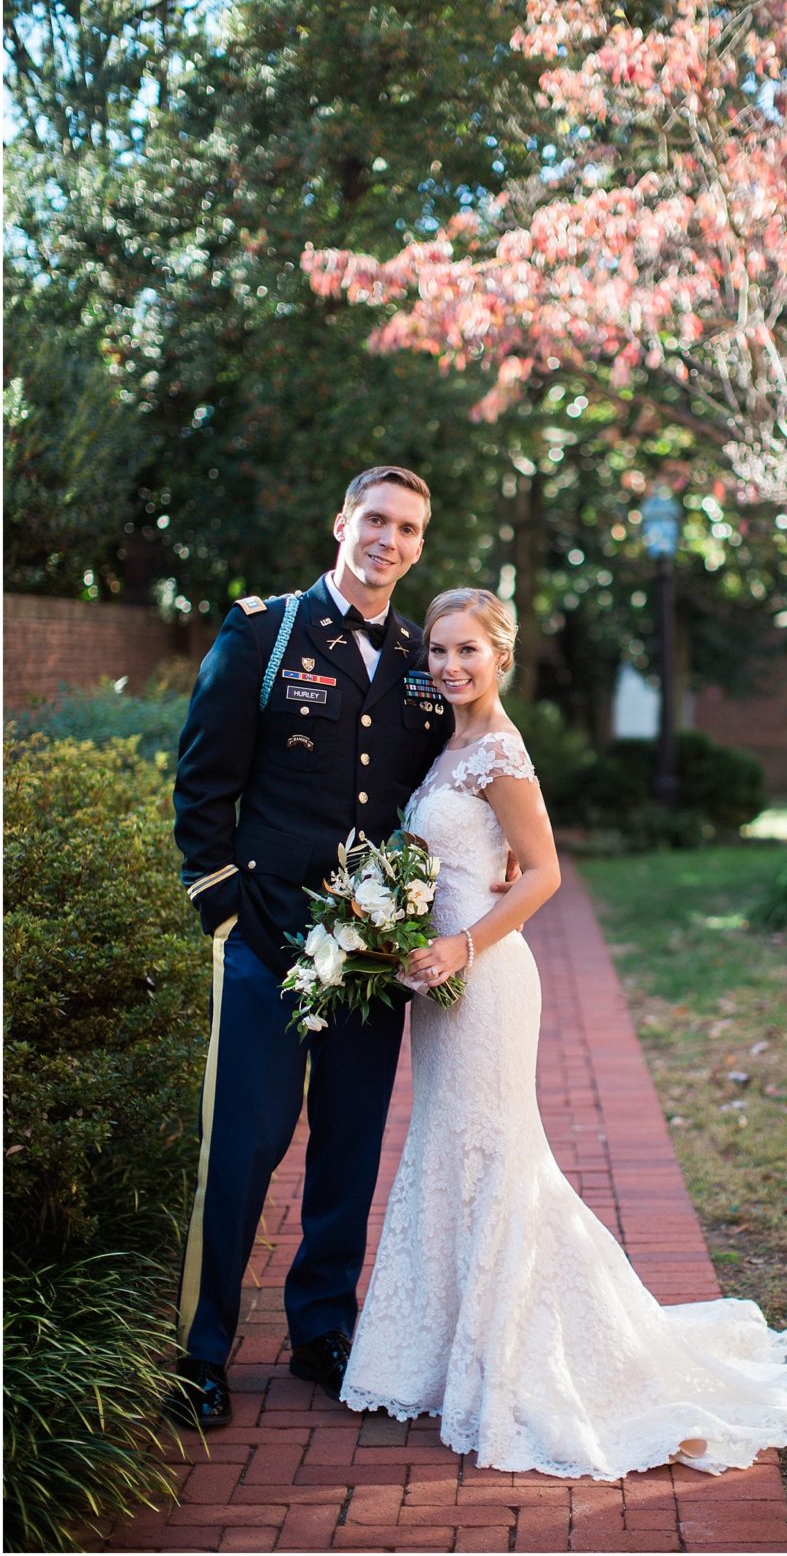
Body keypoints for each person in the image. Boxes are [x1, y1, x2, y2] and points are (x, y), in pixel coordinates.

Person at [338, 587, 787, 1480]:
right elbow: (476, 858)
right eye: (438, 651)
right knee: (449, 1148)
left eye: (467, 652)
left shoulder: (500, 750)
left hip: (484, 981)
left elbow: (546, 873)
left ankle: (535, 1357)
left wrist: (460, 945)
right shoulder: (449, 743)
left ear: (502, 657)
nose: (448, 666)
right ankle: (454, 1352)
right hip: (440, 985)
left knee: (495, 1153)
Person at [169, 466, 457, 1429]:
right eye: (377, 520)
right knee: (245, 1145)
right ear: (342, 523)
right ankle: (201, 1352)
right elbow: (204, 779)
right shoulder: (266, 630)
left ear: (419, 546)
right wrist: (220, 910)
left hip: (373, 951)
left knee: (347, 1147)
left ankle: (321, 1333)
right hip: (268, 938)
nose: (391, 540)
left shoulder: (423, 657)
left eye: (409, 529)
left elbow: (442, 792)